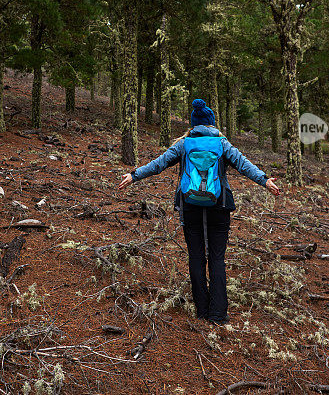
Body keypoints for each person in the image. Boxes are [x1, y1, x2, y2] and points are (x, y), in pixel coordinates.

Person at [118, 99, 280, 323]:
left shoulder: (184, 144)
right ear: (212, 123)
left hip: (190, 205)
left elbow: (158, 164)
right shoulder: (222, 143)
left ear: (193, 124)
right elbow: (244, 165)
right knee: (217, 257)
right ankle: (218, 314)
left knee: (195, 256)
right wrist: (264, 181)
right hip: (219, 206)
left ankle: (201, 310)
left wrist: (134, 175)